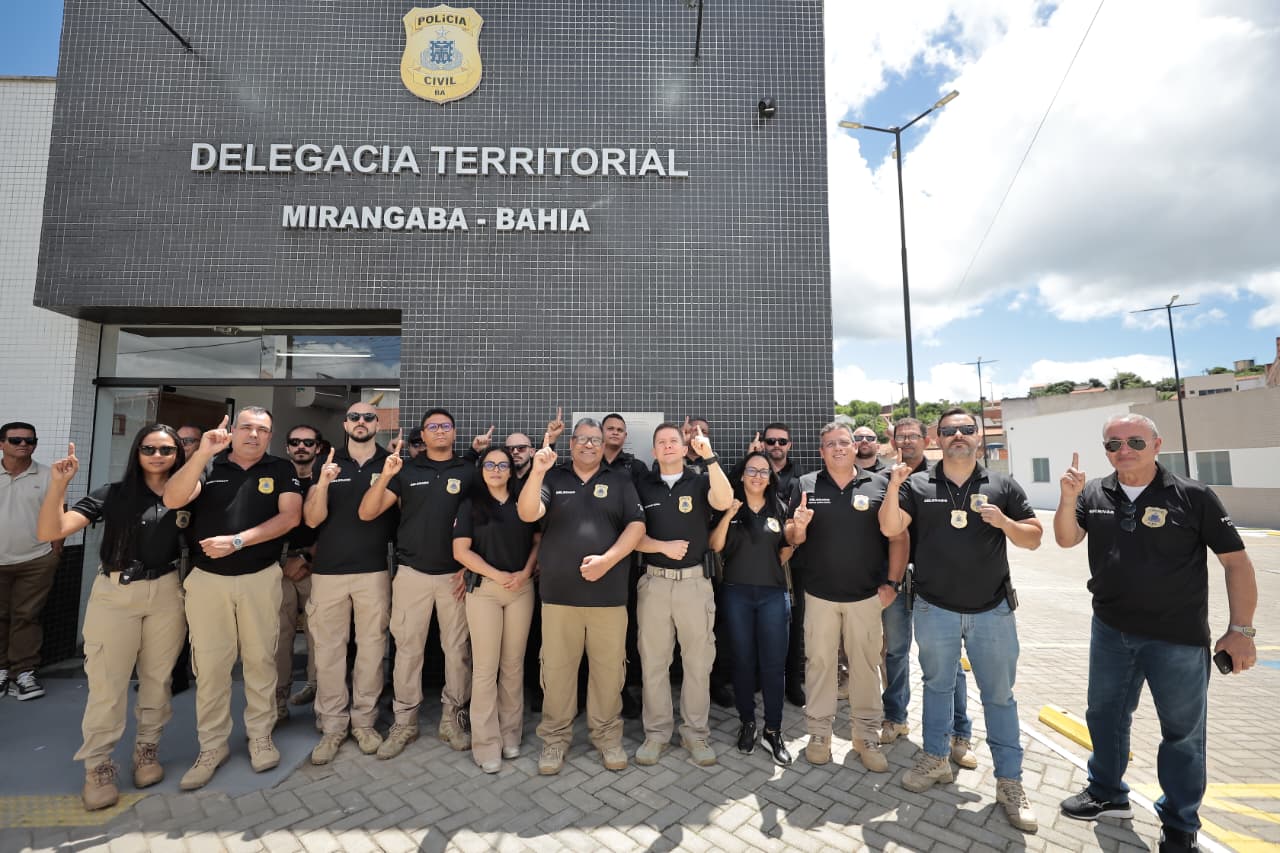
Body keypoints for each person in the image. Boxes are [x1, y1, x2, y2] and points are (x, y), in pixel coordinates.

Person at [1053, 414, 1259, 853]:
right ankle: (1107, 793)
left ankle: (1180, 823)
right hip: (1110, 631)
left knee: (1182, 734)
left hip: (1177, 638)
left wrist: (1241, 629)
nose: (1123, 450)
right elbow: (1067, 539)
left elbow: (1236, 562)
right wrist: (1068, 499)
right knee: (1104, 717)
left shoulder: (1193, 495)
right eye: (1113, 444)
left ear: (1157, 444)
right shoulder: (1095, 492)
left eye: (1134, 441)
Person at [879, 407, 1043, 832]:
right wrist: (894, 486)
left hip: (992, 611)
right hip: (935, 608)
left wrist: (1004, 522)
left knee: (999, 697)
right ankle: (935, 758)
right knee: (936, 687)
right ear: (937, 437)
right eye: (950, 430)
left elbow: (1034, 538)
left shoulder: (1002, 484)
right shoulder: (917, 484)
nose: (958, 436)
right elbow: (891, 528)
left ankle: (1010, 783)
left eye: (967, 429)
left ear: (978, 436)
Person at [37, 427, 188, 810]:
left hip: (167, 591)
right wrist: (59, 485)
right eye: (149, 448)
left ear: (177, 454)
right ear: (137, 452)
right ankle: (98, 766)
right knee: (108, 685)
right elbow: (51, 530)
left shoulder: (187, 494)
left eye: (166, 449)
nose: (157, 455)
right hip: (116, 593)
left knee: (158, 679)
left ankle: (147, 750)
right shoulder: (112, 494)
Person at [162, 409, 303, 790]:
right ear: (233, 431)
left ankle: (260, 736)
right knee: (210, 668)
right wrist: (202, 454)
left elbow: (290, 517)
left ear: (270, 436)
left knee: (260, 661)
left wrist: (238, 541)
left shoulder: (280, 468)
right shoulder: (208, 464)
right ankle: (212, 746)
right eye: (247, 428)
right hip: (208, 581)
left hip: (260, 577)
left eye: (262, 430)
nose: (254, 435)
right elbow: (173, 498)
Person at [517, 417, 645, 775]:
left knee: (608, 673)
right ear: (571, 444)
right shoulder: (552, 478)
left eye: (595, 440)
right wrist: (537, 472)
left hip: (608, 597)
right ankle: (555, 740)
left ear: (604, 446)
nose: (589, 445)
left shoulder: (620, 480)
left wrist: (608, 560)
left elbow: (637, 526)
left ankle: (607, 737)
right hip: (559, 597)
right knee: (557, 673)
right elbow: (527, 512)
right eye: (582, 439)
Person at [785, 422, 905, 773]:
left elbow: (898, 537)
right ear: (821, 452)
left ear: (855, 447)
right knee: (819, 666)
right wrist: (799, 527)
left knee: (865, 668)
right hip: (819, 595)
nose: (837, 448)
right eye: (829, 444)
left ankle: (865, 736)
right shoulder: (805, 485)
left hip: (866, 597)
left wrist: (892, 584)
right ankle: (819, 733)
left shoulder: (880, 484)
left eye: (843, 442)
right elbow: (791, 536)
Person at [359, 407, 475, 758]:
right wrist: (385, 476)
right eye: (432, 427)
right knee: (408, 651)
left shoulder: (469, 472)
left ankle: (453, 719)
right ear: (422, 435)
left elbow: (483, 521)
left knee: (457, 652)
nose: (439, 431)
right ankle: (405, 722)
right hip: (412, 574)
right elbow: (367, 512)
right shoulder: (406, 471)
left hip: (455, 577)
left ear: (454, 433)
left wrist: (469, 566)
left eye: (445, 426)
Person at [633, 423, 732, 766]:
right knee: (654, 663)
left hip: (694, 584)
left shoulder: (700, 480)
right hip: (655, 583)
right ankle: (656, 733)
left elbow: (724, 500)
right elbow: (629, 534)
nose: (667, 446)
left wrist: (710, 457)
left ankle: (695, 733)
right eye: (661, 442)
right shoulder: (642, 485)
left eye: (673, 441)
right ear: (654, 451)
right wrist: (661, 546)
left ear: (684, 446)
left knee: (698, 663)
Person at [879, 417, 975, 771]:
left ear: (927, 440)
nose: (906, 442)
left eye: (912, 436)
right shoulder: (885, 478)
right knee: (895, 653)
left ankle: (959, 733)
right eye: (900, 437)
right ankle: (895, 717)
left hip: (936, 582)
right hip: (897, 578)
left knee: (948, 662)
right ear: (893, 441)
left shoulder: (943, 477)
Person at [303, 403, 396, 765]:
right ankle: (332, 726)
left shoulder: (390, 462)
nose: (361, 422)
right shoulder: (327, 461)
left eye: (368, 417)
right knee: (329, 651)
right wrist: (324, 481)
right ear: (345, 425)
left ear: (377, 424)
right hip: (328, 573)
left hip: (373, 571)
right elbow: (312, 520)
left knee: (371, 650)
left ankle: (364, 722)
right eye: (355, 417)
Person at [453, 446, 539, 773]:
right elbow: (461, 551)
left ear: (510, 470)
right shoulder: (470, 504)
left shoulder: (522, 502)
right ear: (481, 469)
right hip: (486, 591)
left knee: (513, 665)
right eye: (489, 464)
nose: (496, 470)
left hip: (520, 590)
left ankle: (510, 734)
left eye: (502, 465)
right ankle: (486, 743)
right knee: (486, 669)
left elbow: (537, 541)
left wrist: (526, 572)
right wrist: (496, 574)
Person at [709, 451, 794, 765]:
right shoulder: (729, 505)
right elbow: (715, 546)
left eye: (764, 471)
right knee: (742, 662)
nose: (758, 476)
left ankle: (773, 730)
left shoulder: (779, 507)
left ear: (770, 478)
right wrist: (729, 515)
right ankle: (747, 722)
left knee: (773, 665)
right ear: (742, 475)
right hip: (736, 595)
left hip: (772, 595)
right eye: (752, 470)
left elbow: (786, 549)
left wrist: (766, 569)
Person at [0, 421, 60, 701]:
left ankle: (23, 673)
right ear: (2, 444)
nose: (24, 444)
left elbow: (60, 514)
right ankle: (1, 670)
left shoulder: (48, 476)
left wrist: (55, 552)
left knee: (26, 617)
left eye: (30, 440)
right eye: (16, 440)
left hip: (36, 559)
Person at [276, 424, 322, 721]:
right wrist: (282, 561)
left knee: (320, 636)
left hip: (315, 566)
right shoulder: (276, 478)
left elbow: (336, 525)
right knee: (279, 637)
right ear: (287, 447)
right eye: (295, 442)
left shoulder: (327, 479)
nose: (301, 447)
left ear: (318, 447)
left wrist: (305, 557)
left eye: (308, 442)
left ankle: (317, 691)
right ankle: (278, 701)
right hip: (279, 567)